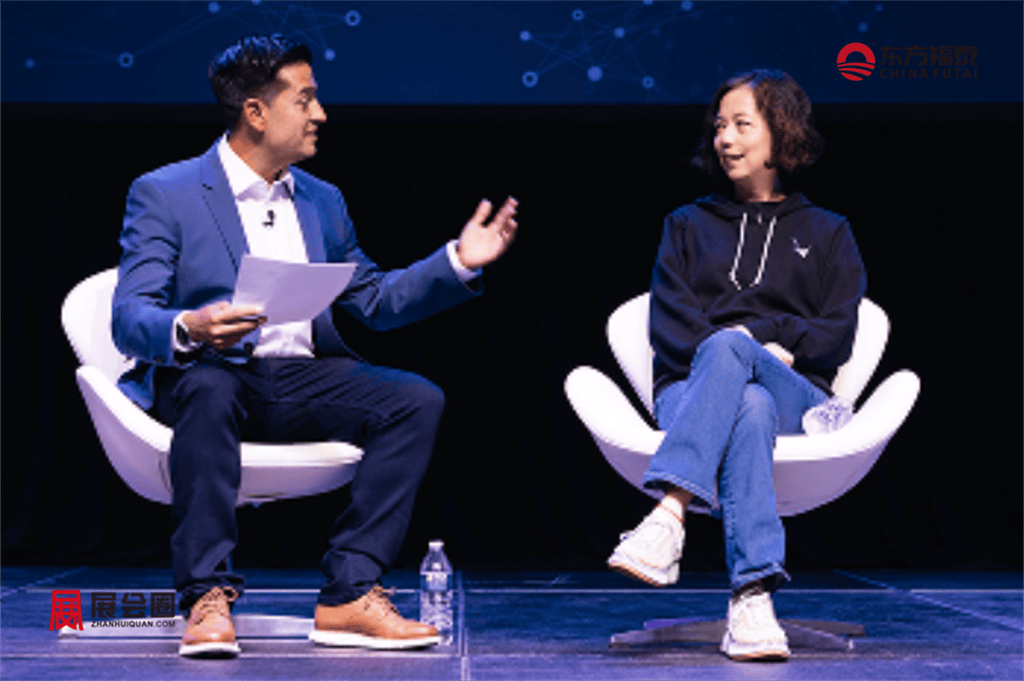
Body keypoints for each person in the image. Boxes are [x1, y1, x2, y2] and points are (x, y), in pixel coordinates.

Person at [111, 35, 518, 658]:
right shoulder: (168, 192)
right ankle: (206, 596)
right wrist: (190, 325)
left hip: (299, 379)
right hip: (210, 373)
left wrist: (458, 261)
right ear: (256, 112)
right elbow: (129, 315)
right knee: (210, 388)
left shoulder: (323, 201)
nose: (320, 114)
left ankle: (350, 593)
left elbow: (375, 300)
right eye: (305, 100)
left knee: (415, 400)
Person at [607, 70, 866, 661]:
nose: (725, 138)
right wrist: (738, 351)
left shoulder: (829, 232)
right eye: (719, 126)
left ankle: (669, 511)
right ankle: (752, 598)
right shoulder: (685, 225)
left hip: (796, 393)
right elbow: (672, 332)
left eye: (742, 125)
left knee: (739, 358)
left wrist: (763, 341)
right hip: (692, 389)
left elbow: (836, 335)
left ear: (782, 132)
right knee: (746, 400)